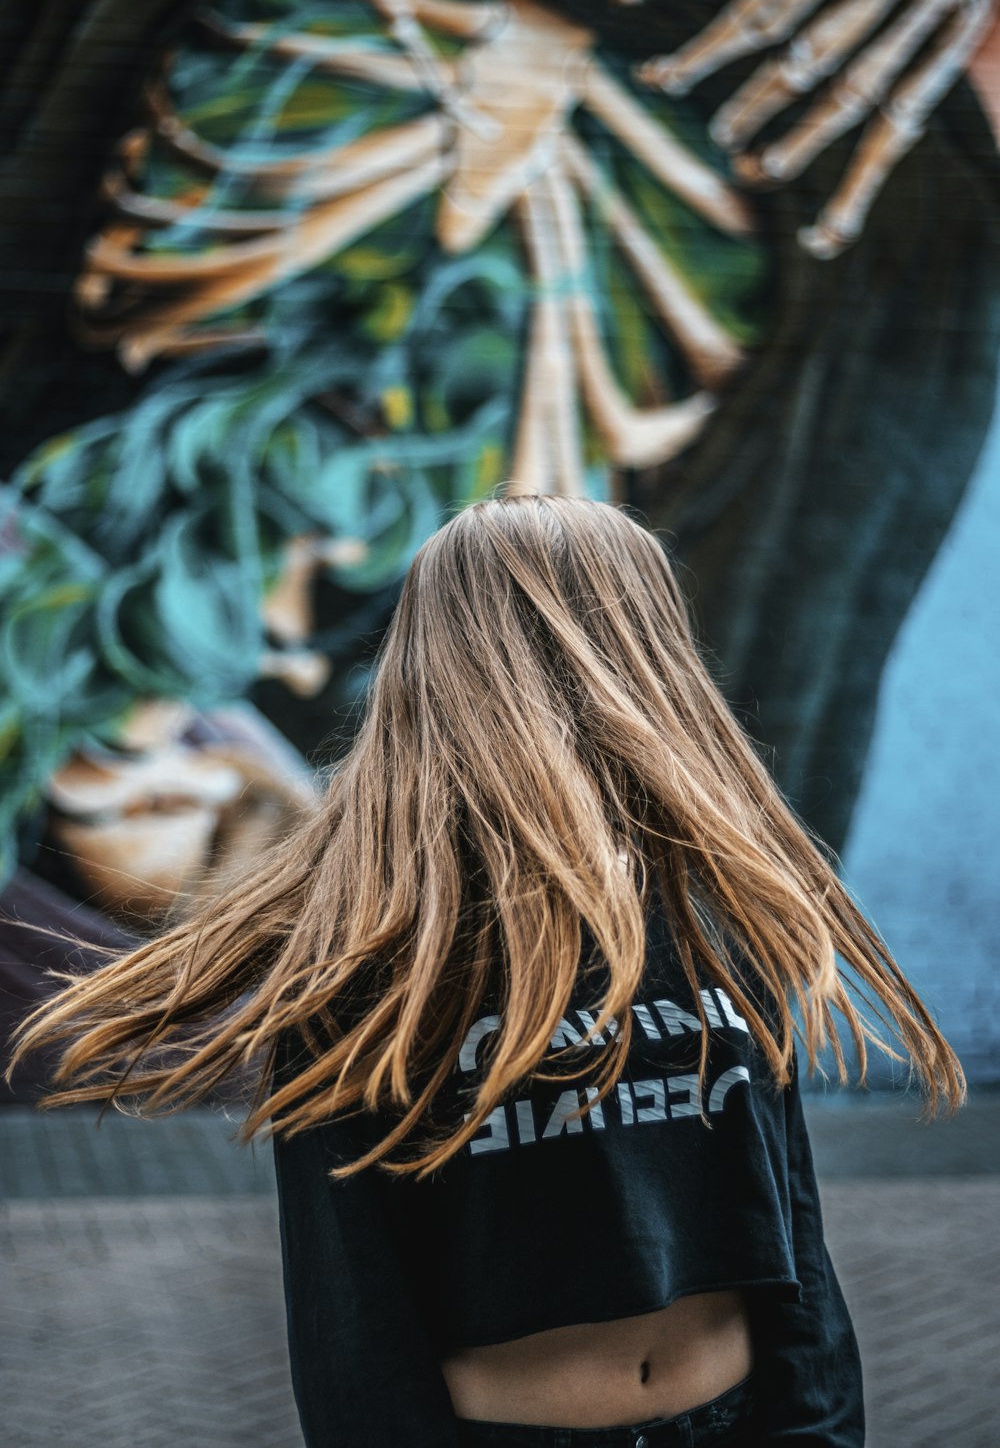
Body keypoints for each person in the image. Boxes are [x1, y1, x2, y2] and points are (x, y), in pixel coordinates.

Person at [6, 494, 965, 1447]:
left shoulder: (717, 902)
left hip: (739, 1422)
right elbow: (353, 1321)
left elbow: (792, 1229)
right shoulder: (371, 962)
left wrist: (821, 1429)